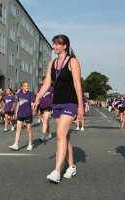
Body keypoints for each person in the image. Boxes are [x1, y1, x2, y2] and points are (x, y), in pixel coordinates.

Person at [34, 34, 83, 183]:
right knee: (65, 137)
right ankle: (72, 166)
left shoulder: (73, 61)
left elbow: (77, 84)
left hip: (71, 102)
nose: (54, 46)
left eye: (56, 44)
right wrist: (37, 98)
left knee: (60, 135)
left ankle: (57, 171)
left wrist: (80, 106)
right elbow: (47, 83)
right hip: (57, 103)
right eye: (53, 44)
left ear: (64, 46)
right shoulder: (52, 63)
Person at [9, 81, 35, 151]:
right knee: (18, 129)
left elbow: (32, 103)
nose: (27, 87)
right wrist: (16, 112)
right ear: (22, 87)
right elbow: (19, 103)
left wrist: (33, 109)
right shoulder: (19, 94)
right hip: (21, 113)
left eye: (27, 86)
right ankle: (16, 144)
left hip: (28, 113)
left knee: (28, 129)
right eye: (25, 86)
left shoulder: (30, 94)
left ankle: (30, 144)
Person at [37, 76, 54, 141]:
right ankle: (49, 134)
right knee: (45, 120)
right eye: (45, 80)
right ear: (42, 81)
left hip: (48, 105)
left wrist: (53, 106)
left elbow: (53, 97)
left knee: (45, 119)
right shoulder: (40, 88)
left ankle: (43, 135)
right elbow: (38, 96)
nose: (46, 81)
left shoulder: (51, 88)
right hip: (41, 106)